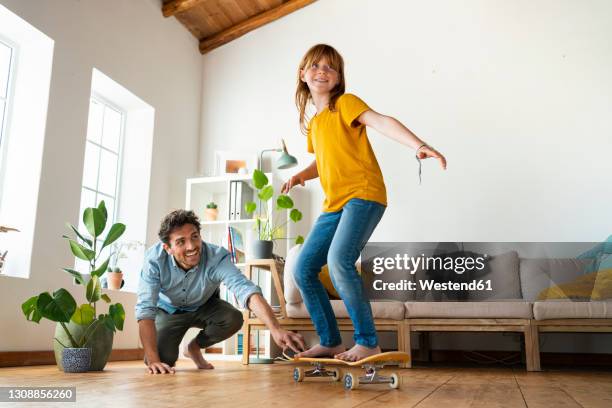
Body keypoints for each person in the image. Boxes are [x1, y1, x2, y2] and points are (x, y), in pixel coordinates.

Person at [282, 44, 447, 362]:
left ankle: (367, 342)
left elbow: (382, 121)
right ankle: (330, 341)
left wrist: (419, 145)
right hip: (334, 205)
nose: (322, 71)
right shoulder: (315, 125)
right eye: (315, 66)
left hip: (364, 194)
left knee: (339, 260)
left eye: (331, 67)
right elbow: (324, 161)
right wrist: (300, 177)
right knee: (303, 268)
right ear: (303, 74)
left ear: (338, 78)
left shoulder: (345, 104)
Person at [135, 209, 304, 374]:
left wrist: (275, 328)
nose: (192, 246)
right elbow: (145, 310)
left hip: (204, 306)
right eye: (181, 242)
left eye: (195, 237)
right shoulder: (154, 261)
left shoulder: (216, 257)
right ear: (167, 248)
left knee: (233, 318)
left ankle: (193, 347)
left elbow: (246, 290)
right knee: (161, 360)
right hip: (168, 311)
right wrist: (154, 360)